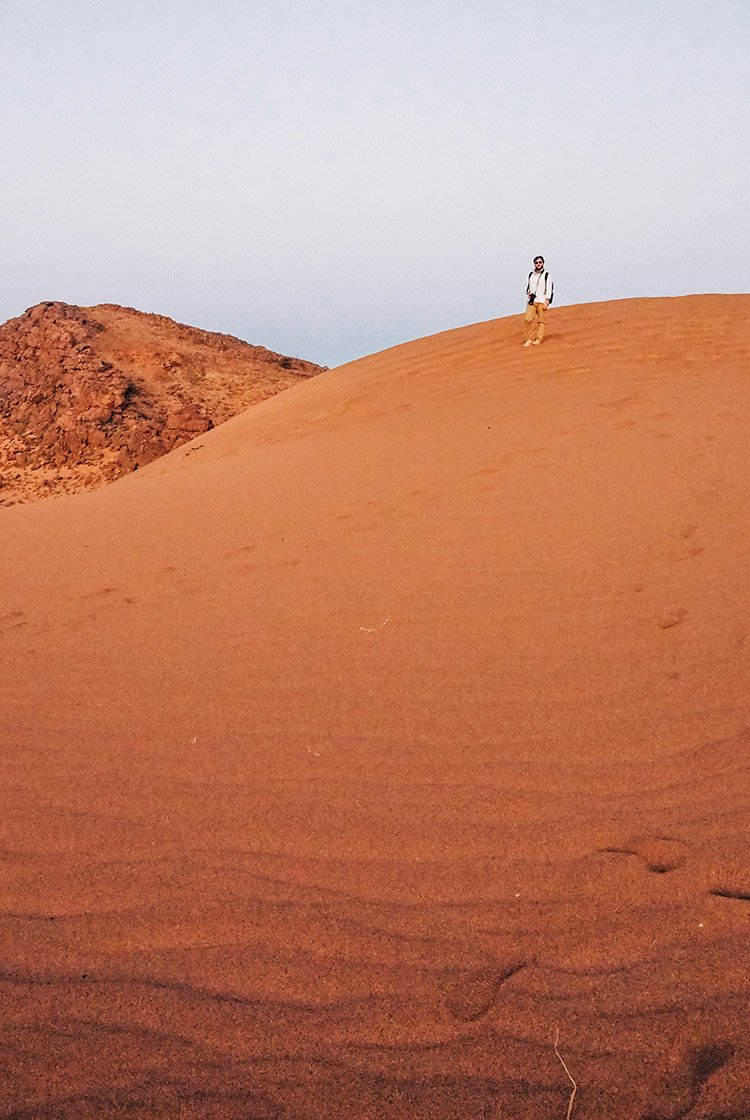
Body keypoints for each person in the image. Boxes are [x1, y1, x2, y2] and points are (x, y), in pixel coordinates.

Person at [523, 255, 553, 347]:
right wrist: (529, 293)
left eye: (540, 262)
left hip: (542, 301)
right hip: (532, 301)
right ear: (534, 264)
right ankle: (530, 338)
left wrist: (547, 300)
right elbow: (528, 287)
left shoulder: (547, 275)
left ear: (543, 263)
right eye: (536, 262)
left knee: (541, 321)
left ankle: (539, 339)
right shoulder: (531, 275)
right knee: (528, 319)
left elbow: (549, 288)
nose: (538, 264)